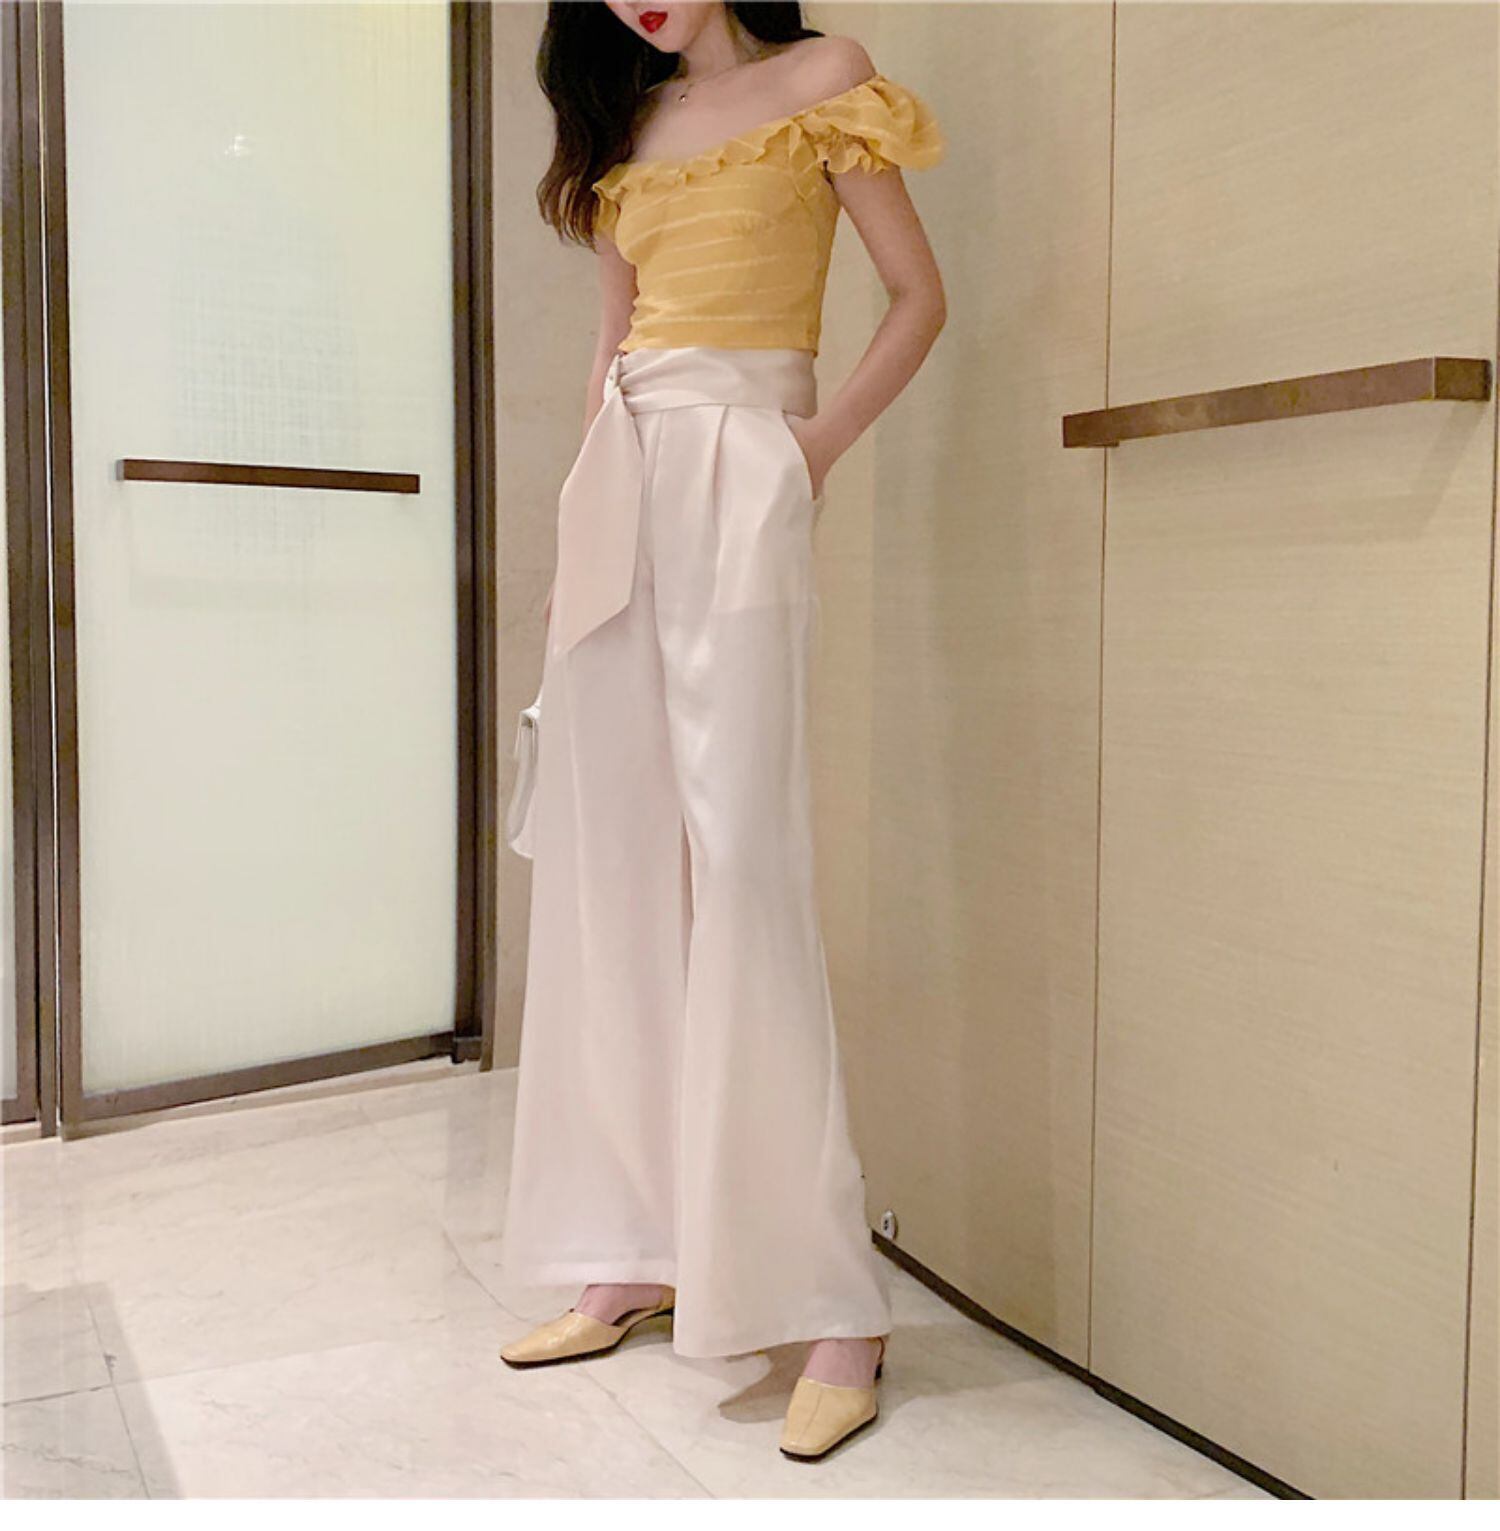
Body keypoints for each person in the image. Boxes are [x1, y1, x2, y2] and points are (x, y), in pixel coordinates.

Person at [497, 0, 946, 1462]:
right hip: (621, 478)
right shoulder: (624, 128)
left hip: (745, 465)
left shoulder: (827, 80)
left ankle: (832, 1306)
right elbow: (611, 347)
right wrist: (579, 523)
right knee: (617, 866)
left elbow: (917, 298)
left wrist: (807, 453)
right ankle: (635, 1247)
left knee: (745, 869)